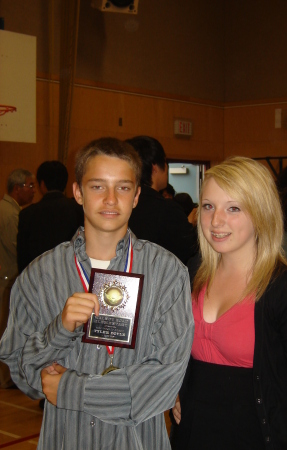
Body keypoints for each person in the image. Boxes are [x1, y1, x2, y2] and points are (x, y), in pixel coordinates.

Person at [0, 137, 194, 450]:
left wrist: (71, 388)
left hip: (138, 442)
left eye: (123, 187)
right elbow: (23, 375)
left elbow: (166, 378)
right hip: (65, 439)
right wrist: (59, 331)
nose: (110, 199)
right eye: (97, 186)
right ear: (77, 192)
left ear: (136, 196)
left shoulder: (167, 273)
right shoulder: (39, 275)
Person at [170, 157, 287, 450]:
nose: (216, 221)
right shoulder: (193, 272)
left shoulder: (285, 290)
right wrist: (179, 389)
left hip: (256, 437)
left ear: (261, 213)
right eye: (208, 206)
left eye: (233, 208)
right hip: (194, 434)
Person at [127, 136, 198, 264]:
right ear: (154, 168)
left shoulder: (122, 202)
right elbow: (189, 252)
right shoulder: (167, 209)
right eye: (165, 163)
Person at [0, 168, 35, 388]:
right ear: (17, 188)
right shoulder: (10, 213)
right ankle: (6, 377)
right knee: (6, 327)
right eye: (29, 186)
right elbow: (16, 247)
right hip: (7, 276)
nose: (32, 191)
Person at [17, 160, 84, 273]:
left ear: (42, 184)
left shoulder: (28, 214)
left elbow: (23, 257)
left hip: (37, 277)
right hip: (72, 275)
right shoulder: (79, 209)